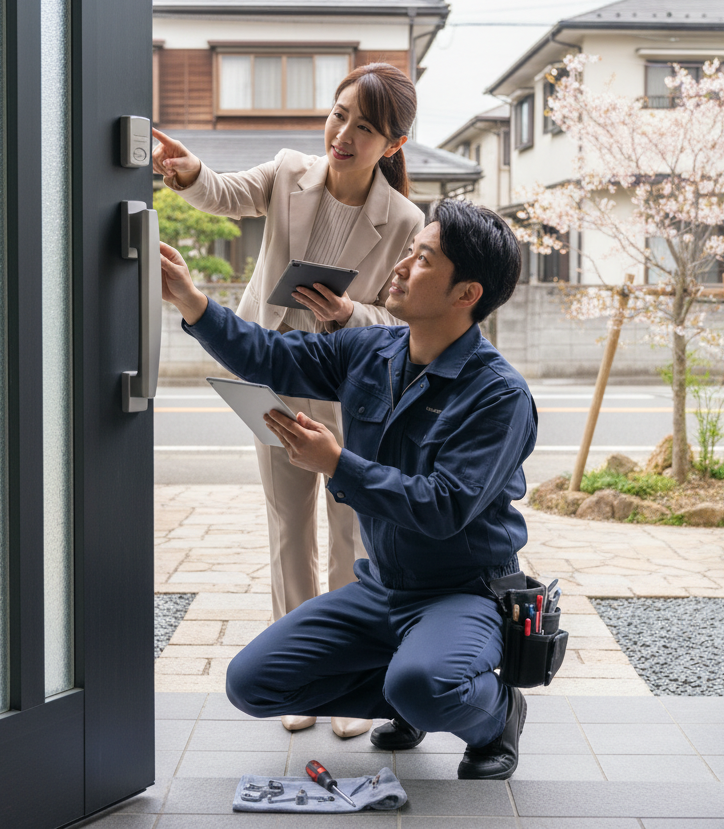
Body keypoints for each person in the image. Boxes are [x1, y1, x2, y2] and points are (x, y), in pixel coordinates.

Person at [159, 198, 538, 780]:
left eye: (424, 259)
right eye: (410, 251)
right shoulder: (372, 350)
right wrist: (192, 301)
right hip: (384, 587)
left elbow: (443, 507)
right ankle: (410, 693)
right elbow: (269, 356)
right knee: (252, 684)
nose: (402, 266)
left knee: (426, 684)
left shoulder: (498, 395)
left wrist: (337, 464)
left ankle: (497, 715)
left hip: (464, 593)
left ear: (466, 294)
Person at [151, 63, 424, 739]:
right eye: (338, 115)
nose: (343, 135)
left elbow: (402, 321)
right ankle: (302, 677)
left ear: (393, 144)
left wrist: (349, 313)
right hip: (268, 376)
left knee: (349, 533)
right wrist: (190, 173)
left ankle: (348, 679)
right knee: (288, 529)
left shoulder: (404, 219)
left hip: (348, 390)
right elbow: (226, 193)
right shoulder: (286, 171)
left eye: (365, 127)